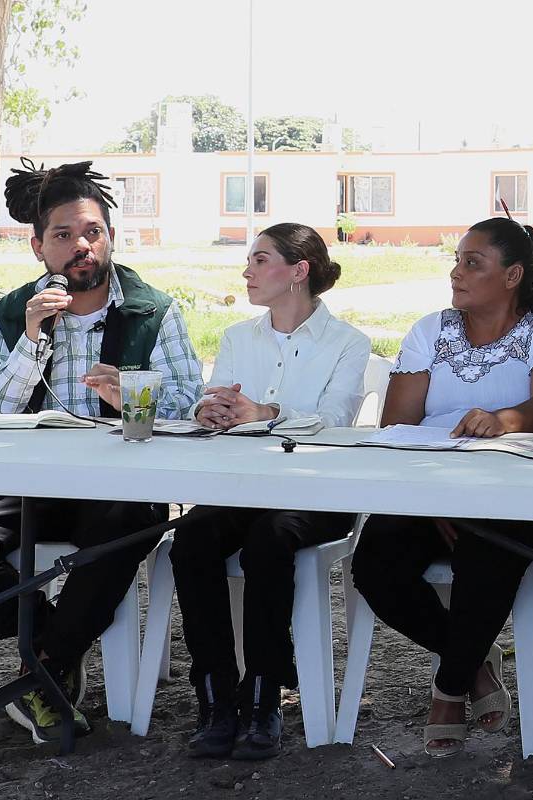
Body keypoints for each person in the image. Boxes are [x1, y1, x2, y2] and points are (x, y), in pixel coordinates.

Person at [0, 160, 203, 744]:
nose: (81, 247)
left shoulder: (154, 310)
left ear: (112, 238)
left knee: (128, 526)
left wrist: (133, 399)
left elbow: (192, 407)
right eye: (64, 236)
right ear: (39, 246)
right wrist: (30, 342)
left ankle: (40, 667)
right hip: (29, 482)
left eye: (92, 232)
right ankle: (52, 652)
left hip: (120, 487)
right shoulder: (10, 313)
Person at [350, 216, 533, 758]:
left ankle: (449, 689)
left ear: (512, 275)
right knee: (374, 564)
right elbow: (400, 423)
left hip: (522, 495)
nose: (456, 273)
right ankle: (475, 667)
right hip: (430, 490)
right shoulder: (429, 331)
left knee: (485, 552)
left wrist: (504, 419)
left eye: (472, 263)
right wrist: (436, 493)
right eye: (457, 261)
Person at [170, 223, 369, 760]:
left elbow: (335, 420)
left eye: (260, 260)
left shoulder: (349, 342)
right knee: (190, 538)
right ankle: (213, 696)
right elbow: (219, 402)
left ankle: (263, 696)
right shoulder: (238, 337)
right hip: (243, 484)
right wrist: (207, 412)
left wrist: (267, 414)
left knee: (269, 540)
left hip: (319, 491)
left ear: (298, 271)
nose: (247, 272)